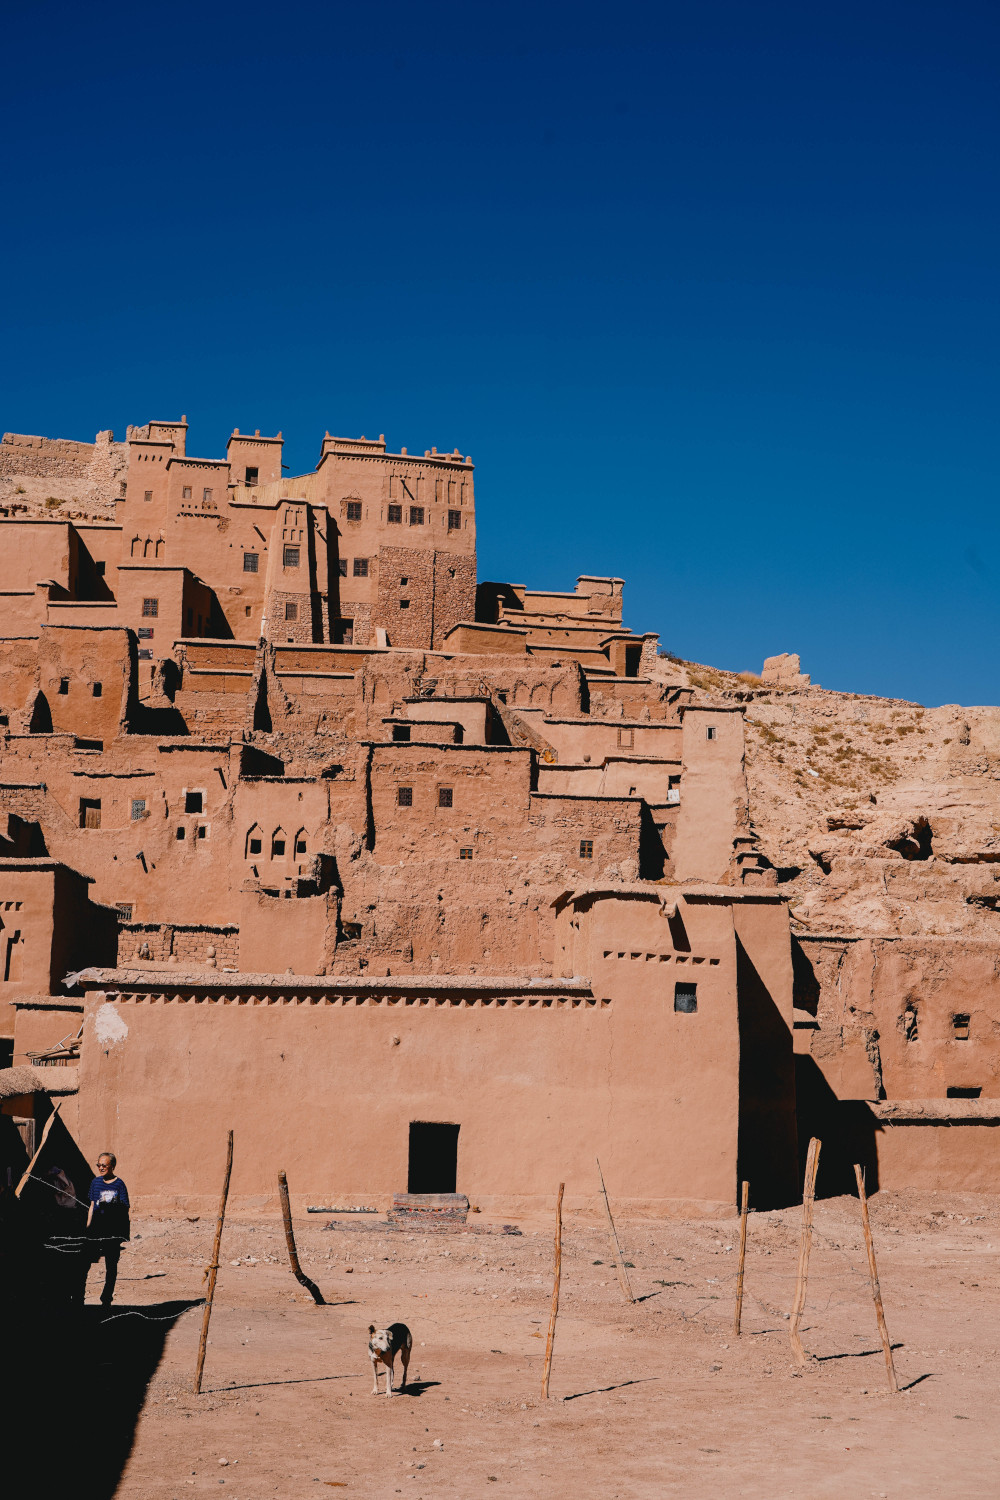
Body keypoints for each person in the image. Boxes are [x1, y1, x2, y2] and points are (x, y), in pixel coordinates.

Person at [86, 1152, 130, 1305]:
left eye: (104, 1165)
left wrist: (113, 1204)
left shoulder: (119, 1184)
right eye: (99, 1165)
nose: (101, 1168)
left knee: (111, 1266)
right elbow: (92, 1206)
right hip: (97, 1230)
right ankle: (80, 1296)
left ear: (112, 1166)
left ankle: (106, 1297)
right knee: (86, 1262)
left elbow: (125, 1207)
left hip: (112, 1232)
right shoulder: (95, 1183)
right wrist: (88, 1227)